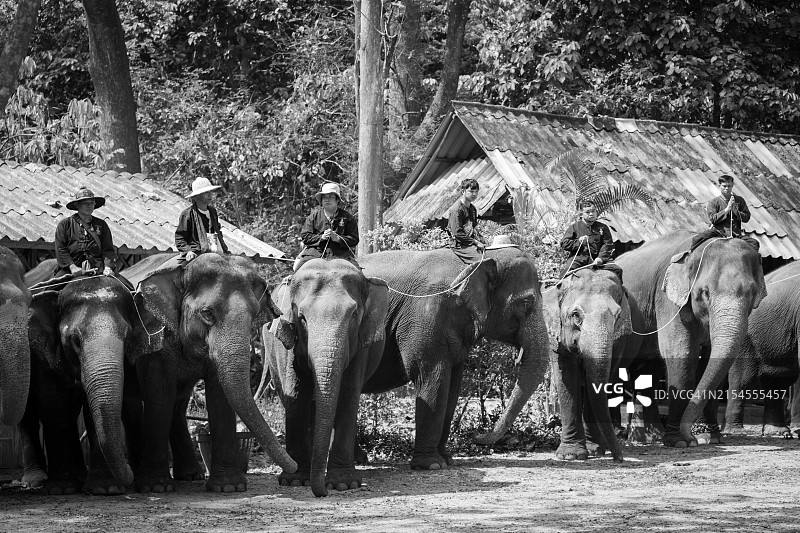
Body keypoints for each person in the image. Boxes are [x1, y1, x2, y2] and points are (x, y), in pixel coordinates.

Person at [294, 182, 359, 272]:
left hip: (342, 255)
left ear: (337, 200)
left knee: (359, 274)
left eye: (331, 197)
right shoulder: (313, 217)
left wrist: (338, 239)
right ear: (321, 200)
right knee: (297, 273)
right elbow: (305, 237)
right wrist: (321, 237)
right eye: (324, 197)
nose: (327, 199)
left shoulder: (348, 218)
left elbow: (354, 239)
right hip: (314, 254)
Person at [54, 187, 116, 277]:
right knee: (53, 285)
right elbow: (61, 249)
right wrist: (72, 267)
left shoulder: (101, 225)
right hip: (72, 268)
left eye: (92, 203)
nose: (89, 206)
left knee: (123, 284)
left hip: (98, 268)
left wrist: (108, 267)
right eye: (85, 203)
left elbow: (108, 249)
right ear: (77, 205)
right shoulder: (65, 225)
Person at [690, 173, 760, 252]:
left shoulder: (739, 200)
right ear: (719, 186)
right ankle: (690, 255)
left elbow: (746, 218)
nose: (726, 188)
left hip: (735, 234)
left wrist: (736, 212)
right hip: (718, 232)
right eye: (724, 186)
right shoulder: (714, 202)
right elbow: (713, 219)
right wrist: (726, 210)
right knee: (697, 238)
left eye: (729, 186)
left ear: (732, 186)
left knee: (754, 243)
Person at [560, 200, 623, 281]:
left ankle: (621, 289)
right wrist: (578, 242)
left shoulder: (603, 227)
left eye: (593, 211)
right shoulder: (575, 227)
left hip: (597, 259)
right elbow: (564, 243)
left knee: (617, 270)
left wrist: (601, 258)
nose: (591, 214)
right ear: (581, 214)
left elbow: (608, 244)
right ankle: (559, 287)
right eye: (587, 212)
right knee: (566, 275)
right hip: (579, 259)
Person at [175, 177, 229, 261]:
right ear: (197, 196)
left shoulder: (212, 212)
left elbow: (217, 231)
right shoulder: (187, 214)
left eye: (210, 191)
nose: (210, 195)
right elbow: (180, 237)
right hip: (197, 253)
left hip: (216, 251)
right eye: (206, 192)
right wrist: (188, 251)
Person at [447, 178, 485, 263]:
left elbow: (473, 228)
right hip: (458, 245)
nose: (474, 194)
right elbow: (457, 233)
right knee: (481, 261)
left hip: (469, 243)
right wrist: (475, 242)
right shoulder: (456, 210)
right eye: (471, 191)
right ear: (463, 191)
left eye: (476, 191)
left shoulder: (473, 209)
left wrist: (482, 240)